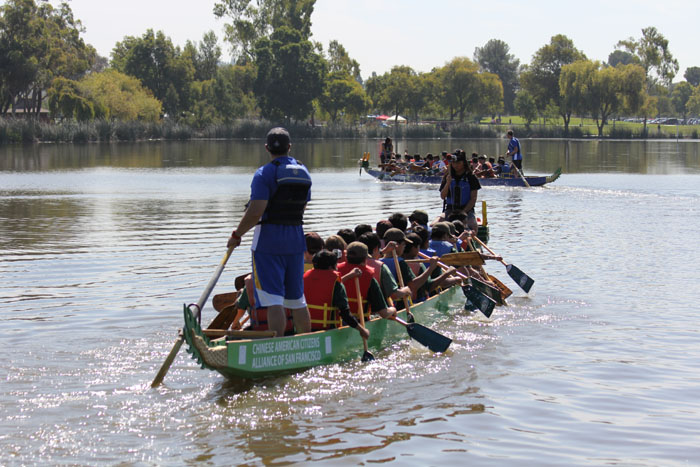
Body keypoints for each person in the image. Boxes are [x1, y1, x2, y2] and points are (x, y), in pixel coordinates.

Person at [227, 127, 312, 338]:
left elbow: (256, 211)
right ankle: (307, 342)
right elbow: (302, 208)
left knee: (274, 300)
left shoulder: (264, 173)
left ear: (266, 148)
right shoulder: (303, 171)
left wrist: (237, 235)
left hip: (268, 243)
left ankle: (278, 345)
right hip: (295, 241)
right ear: (289, 147)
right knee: (297, 300)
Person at [303, 250, 370, 339]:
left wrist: (350, 275)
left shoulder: (305, 278)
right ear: (331, 267)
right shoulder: (336, 283)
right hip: (328, 332)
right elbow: (345, 314)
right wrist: (362, 330)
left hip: (306, 329)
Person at [338, 242, 397, 321]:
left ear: (346, 257)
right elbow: (384, 313)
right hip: (359, 322)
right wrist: (393, 309)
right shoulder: (370, 279)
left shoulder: (336, 272)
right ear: (366, 259)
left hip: (338, 322)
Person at [439, 149, 482, 233]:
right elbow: (443, 196)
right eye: (454, 163)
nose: (456, 165)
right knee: (435, 226)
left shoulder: (471, 177)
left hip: (466, 210)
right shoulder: (447, 176)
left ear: (464, 163)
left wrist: (463, 213)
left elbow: (473, 198)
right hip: (450, 210)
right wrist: (448, 183)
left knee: (473, 227)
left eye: (458, 163)